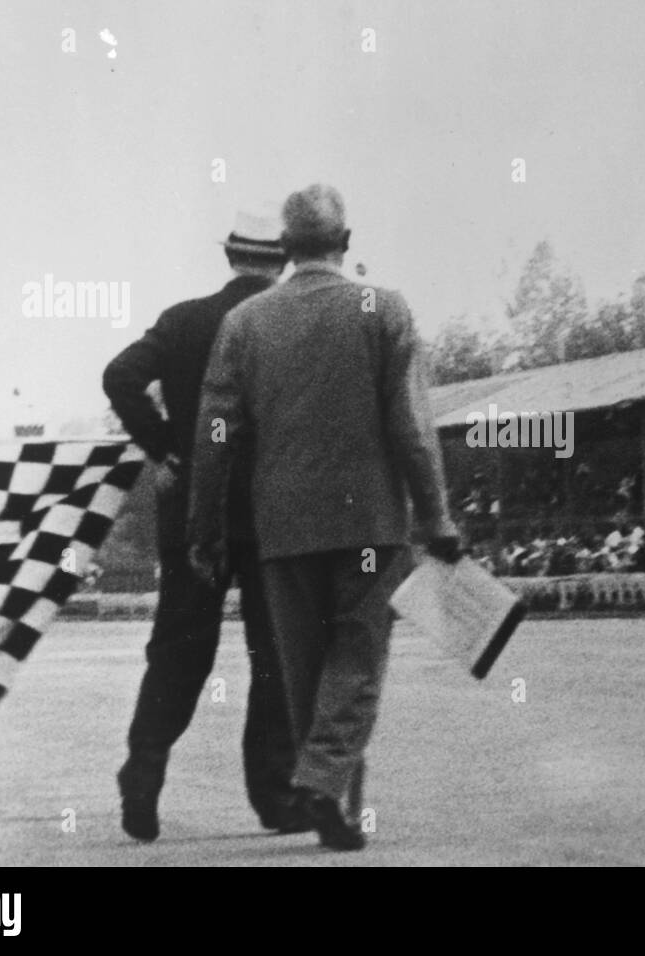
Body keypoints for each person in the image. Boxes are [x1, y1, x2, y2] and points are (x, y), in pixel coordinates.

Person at [187, 185, 459, 852]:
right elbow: (411, 427)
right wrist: (437, 517)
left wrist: (204, 529)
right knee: (357, 663)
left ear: (285, 249)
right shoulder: (382, 309)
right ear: (346, 241)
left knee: (307, 672)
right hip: (368, 528)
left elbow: (214, 436)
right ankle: (323, 784)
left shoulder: (245, 323)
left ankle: (331, 800)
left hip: (283, 532)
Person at [102, 208, 297, 841]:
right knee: (275, 655)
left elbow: (120, 375)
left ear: (229, 258)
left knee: (181, 647)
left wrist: (164, 448)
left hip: (191, 509)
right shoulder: (289, 323)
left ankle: (146, 765)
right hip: (273, 514)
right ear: (284, 261)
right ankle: (272, 794)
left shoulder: (183, 319)